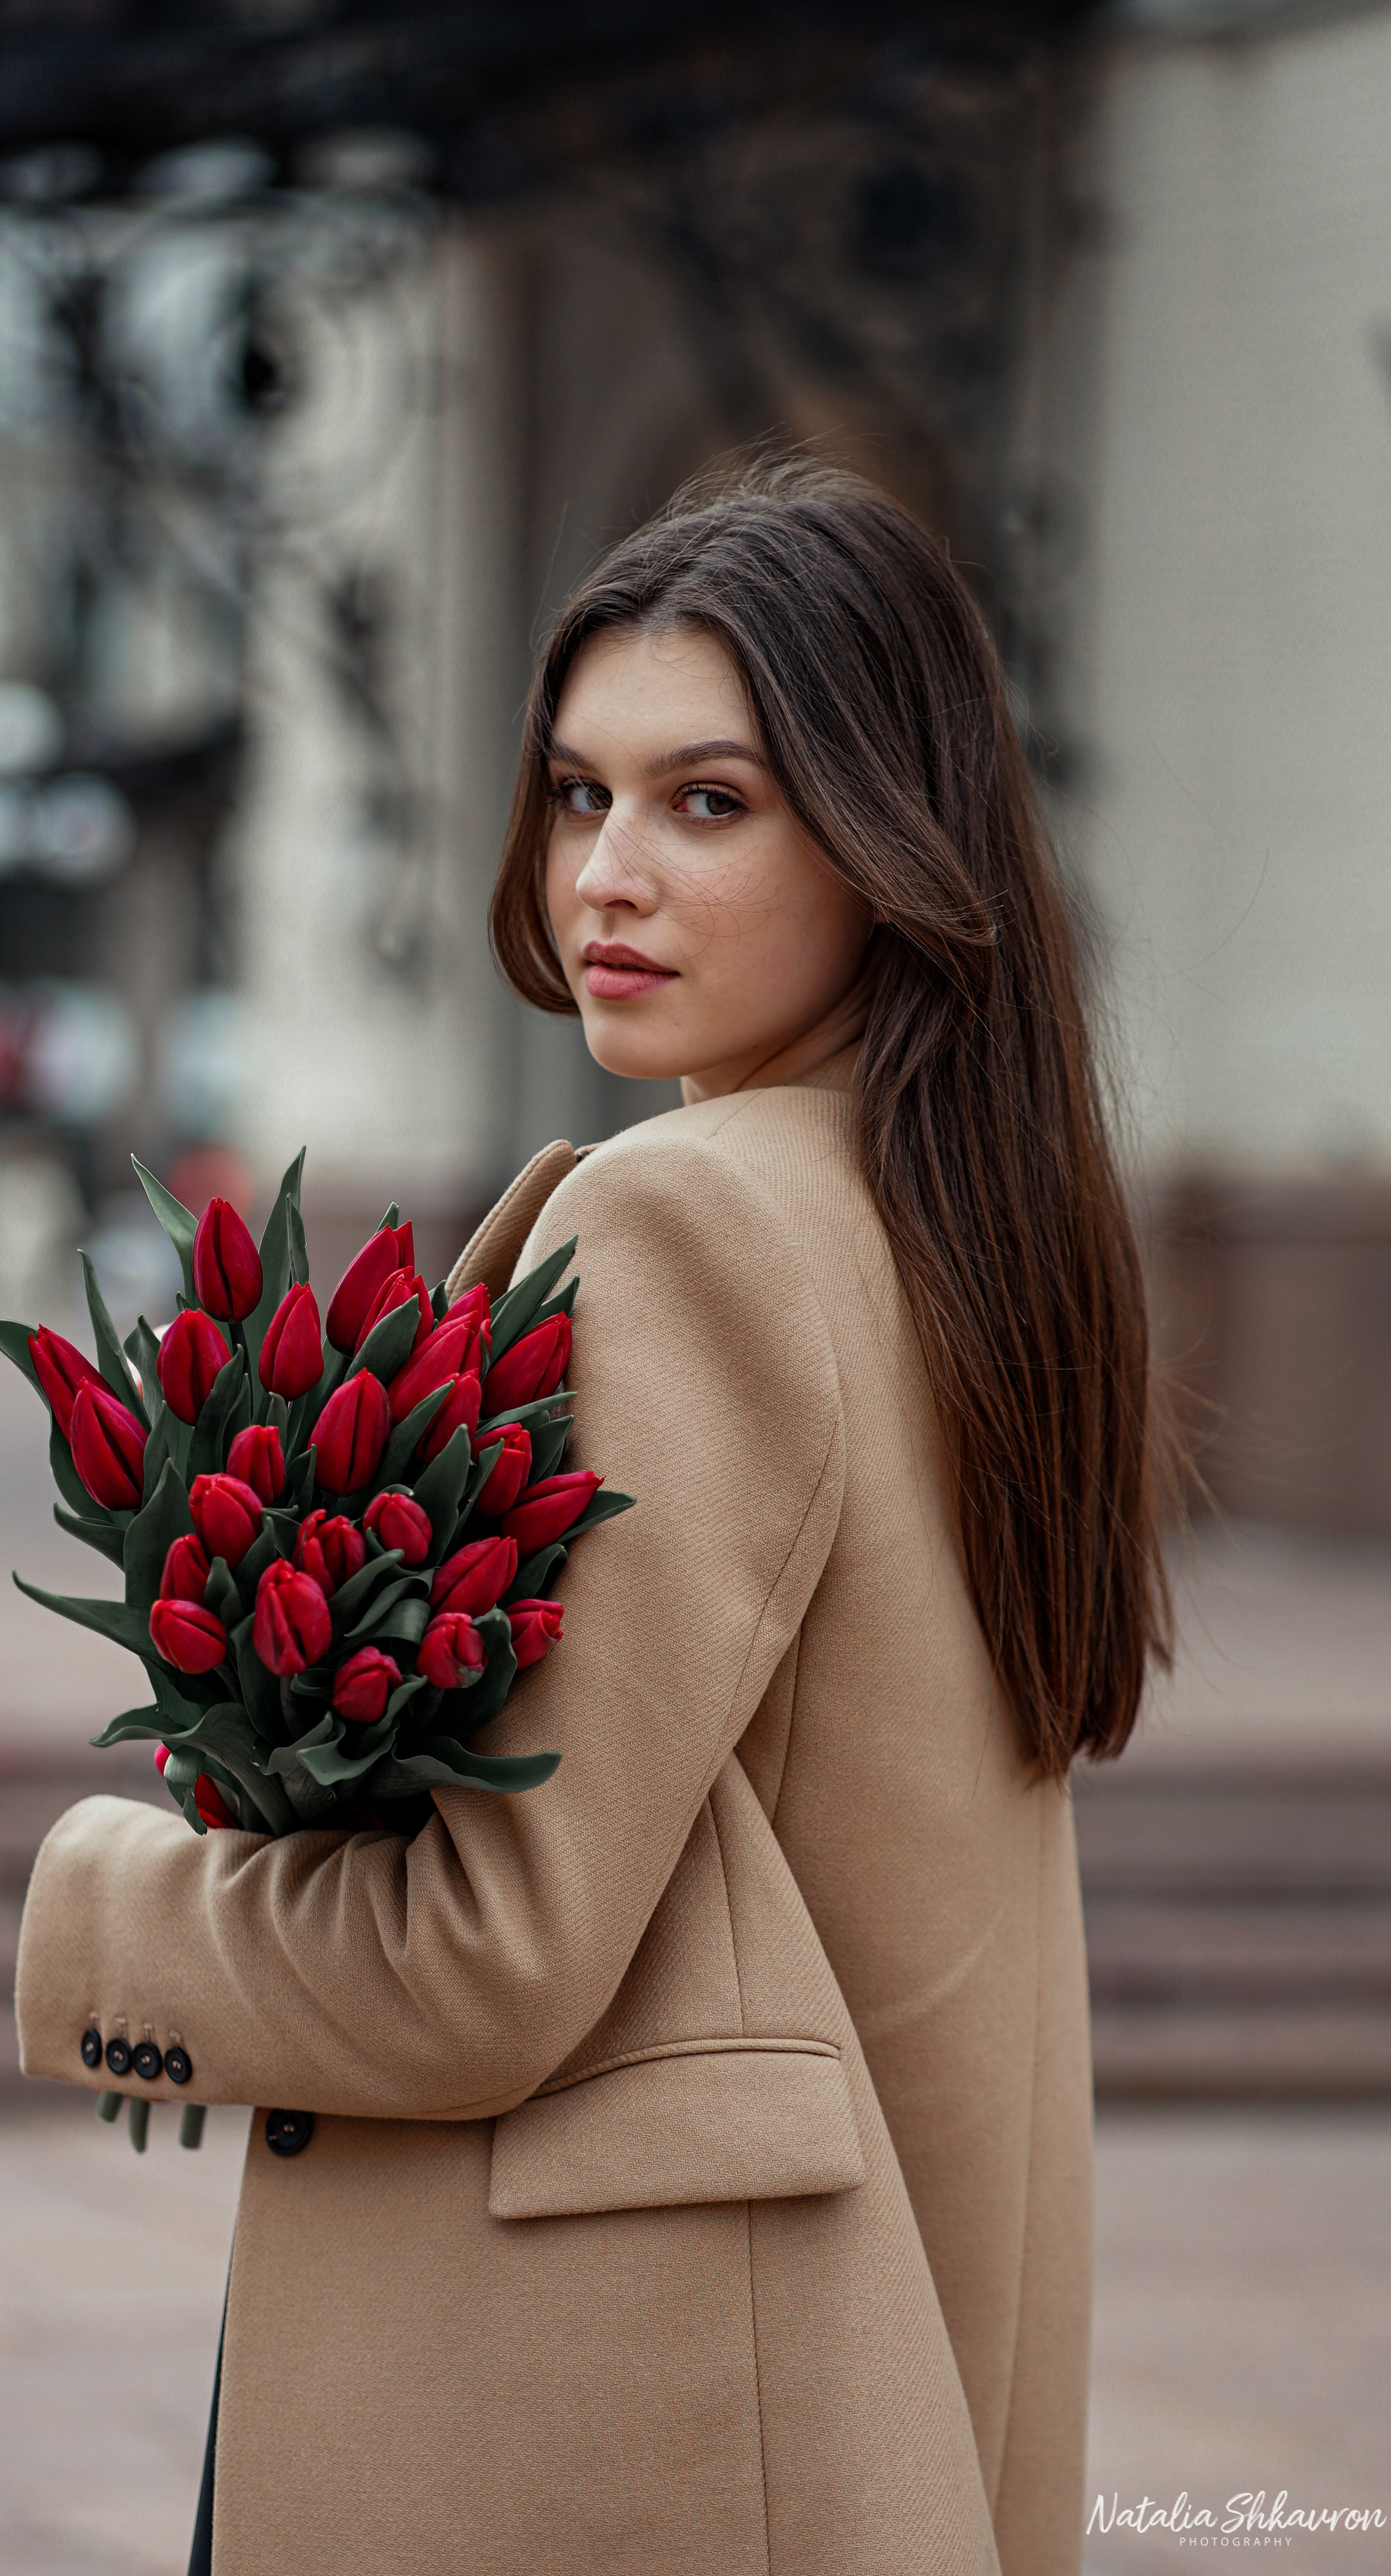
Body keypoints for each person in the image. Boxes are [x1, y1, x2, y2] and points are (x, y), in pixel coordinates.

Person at [17, 457, 1173, 2576]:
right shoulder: (962, 1234)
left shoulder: (690, 1225)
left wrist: (91, 1910)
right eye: (577, 793)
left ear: (888, 838)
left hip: (627, 2443)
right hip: (870, 2399)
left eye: (706, 802)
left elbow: (487, 1959)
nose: (604, 876)